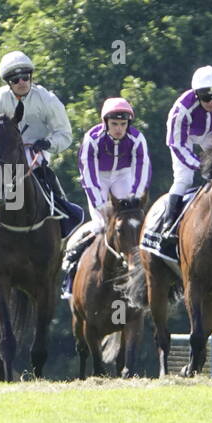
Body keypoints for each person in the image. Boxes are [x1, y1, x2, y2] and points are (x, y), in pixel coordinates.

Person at [0, 50, 81, 233]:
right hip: (3, 154)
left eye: (25, 77)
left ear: (31, 76)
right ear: (9, 82)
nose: (22, 83)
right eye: (16, 80)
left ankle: (62, 215)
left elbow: (65, 134)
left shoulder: (48, 100)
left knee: (48, 182)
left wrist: (48, 143)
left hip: (35, 153)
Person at [60, 98, 151, 299]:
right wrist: (100, 204)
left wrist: (134, 198)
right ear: (106, 123)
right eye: (114, 124)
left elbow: (142, 169)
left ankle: (146, 275)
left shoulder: (137, 138)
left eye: (123, 124)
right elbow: (88, 175)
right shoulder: (92, 138)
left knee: (132, 223)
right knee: (100, 226)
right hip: (98, 177)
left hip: (123, 174)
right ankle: (72, 270)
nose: (119, 129)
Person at [152, 65, 212, 239]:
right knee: (184, 179)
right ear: (196, 95)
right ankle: (168, 225)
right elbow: (177, 144)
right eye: (205, 98)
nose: (211, 102)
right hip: (185, 137)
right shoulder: (180, 110)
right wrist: (200, 164)